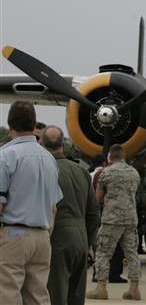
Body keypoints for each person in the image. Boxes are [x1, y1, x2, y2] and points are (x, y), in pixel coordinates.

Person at [0, 101, 63, 305]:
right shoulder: (49, 158)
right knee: (38, 295)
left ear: (10, 124)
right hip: (42, 236)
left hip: (14, 233)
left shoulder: (5, 155)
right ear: (34, 123)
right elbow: (54, 206)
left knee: (8, 292)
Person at [41, 125, 99, 305]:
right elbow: (93, 213)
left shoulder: (47, 169)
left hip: (58, 237)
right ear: (62, 144)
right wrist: (89, 243)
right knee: (76, 294)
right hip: (80, 238)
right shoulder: (81, 171)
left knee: (56, 293)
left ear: (42, 143)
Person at [87, 144, 142, 301]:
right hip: (131, 218)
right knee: (132, 253)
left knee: (104, 253)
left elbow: (97, 198)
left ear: (110, 157)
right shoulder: (134, 173)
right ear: (123, 156)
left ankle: (101, 288)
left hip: (112, 219)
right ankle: (134, 289)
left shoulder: (106, 173)